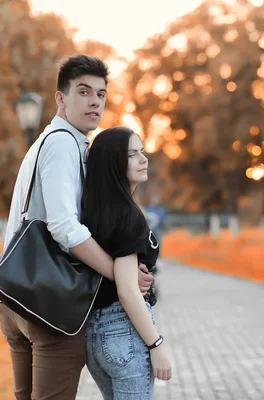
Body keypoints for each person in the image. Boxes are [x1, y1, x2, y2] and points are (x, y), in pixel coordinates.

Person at [0, 55, 153, 400]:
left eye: (101, 94)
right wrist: (119, 273)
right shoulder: (63, 145)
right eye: (84, 92)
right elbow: (65, 228)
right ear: (60, 98)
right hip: (49, 302)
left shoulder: (42, 144)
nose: (95, 102)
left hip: (16, 296)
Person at [81, 127, 172, 399]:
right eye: (132, 154)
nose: (144, 159)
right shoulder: (126, 216)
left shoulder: (92, 210)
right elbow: (127, 290)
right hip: (122, 330)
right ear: (112, 163)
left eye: (142, 152)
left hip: (94, 335)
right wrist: (156, 345)